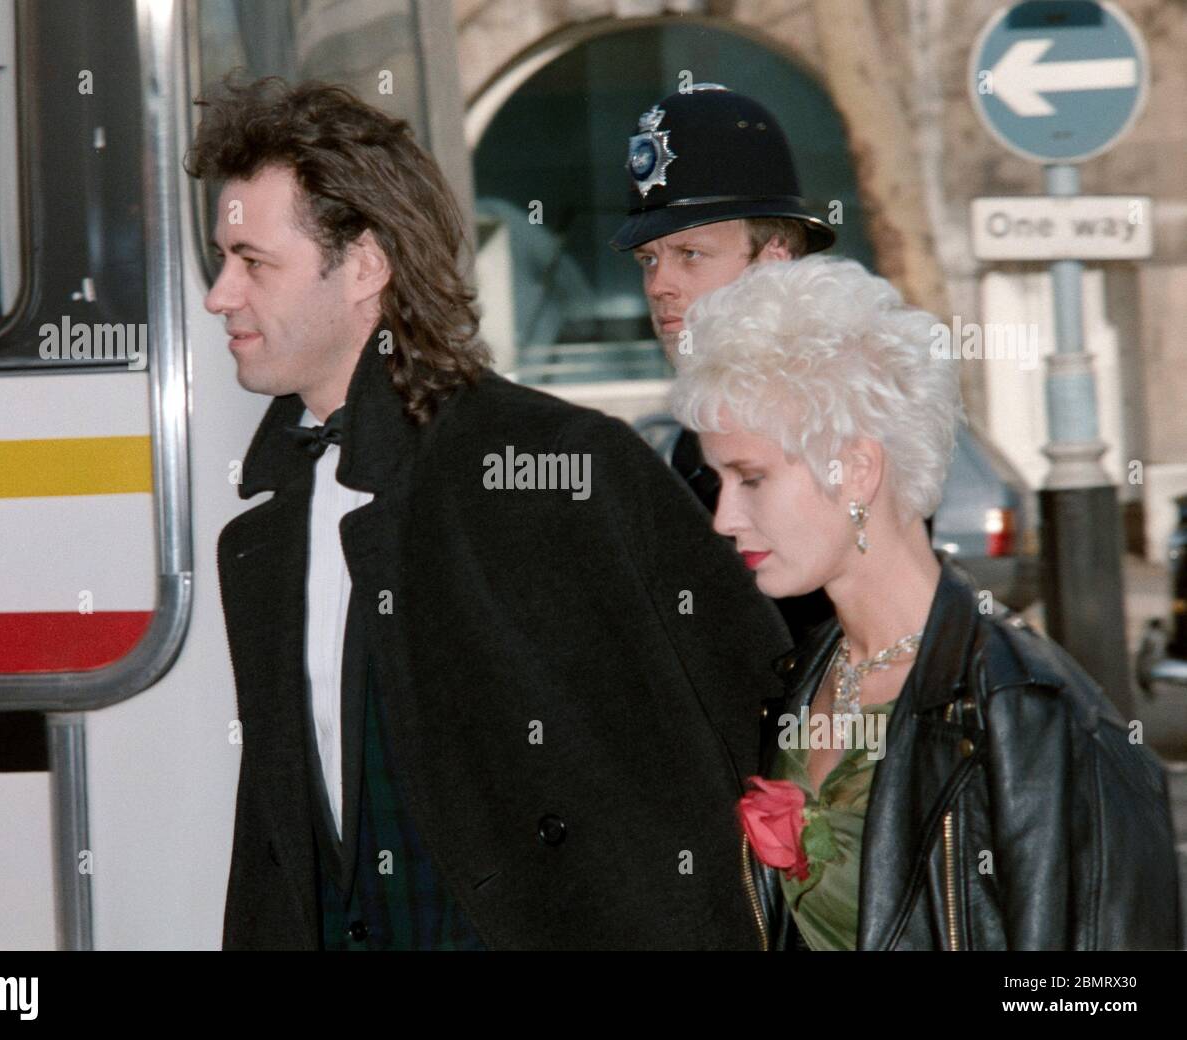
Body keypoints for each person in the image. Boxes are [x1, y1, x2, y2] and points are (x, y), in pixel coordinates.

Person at [187, 76, 792, 950]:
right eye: (221, 259)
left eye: (252, 262)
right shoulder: (261, 535)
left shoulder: (560, 469)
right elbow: (278, 851)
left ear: (365, 264)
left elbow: (737, 748)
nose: (219, 295)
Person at [671, 255, 1181, 950]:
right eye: (719, 480)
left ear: (855, 469)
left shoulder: (1036, 718)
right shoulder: (796, 680)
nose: (723, 516)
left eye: (750, 478)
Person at [610, 85, 835, 641]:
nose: (660, 285)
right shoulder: (698, 433)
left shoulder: (838, 416)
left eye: (691, 254)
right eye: (648, 260)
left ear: (774, 258)